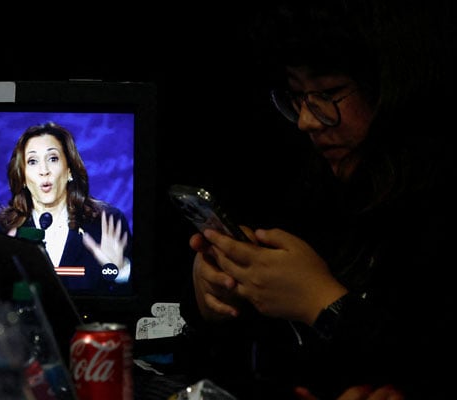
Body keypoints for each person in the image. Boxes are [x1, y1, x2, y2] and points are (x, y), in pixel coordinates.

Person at [176, 1, 457, 399]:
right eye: (297, 96)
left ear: (395, 88)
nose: (308, 120)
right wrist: (218, 296)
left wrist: (322, 304)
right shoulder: (318, 187)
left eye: (327, 93)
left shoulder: (437, 209)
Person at [0, 121, 133, 295]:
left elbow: (133, 297)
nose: (44, 170)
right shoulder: (4, 229)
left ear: (69, 170)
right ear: (22, 176)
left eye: (53, 159)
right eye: (32, 161)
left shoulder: (106, 223)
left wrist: (120, 270)